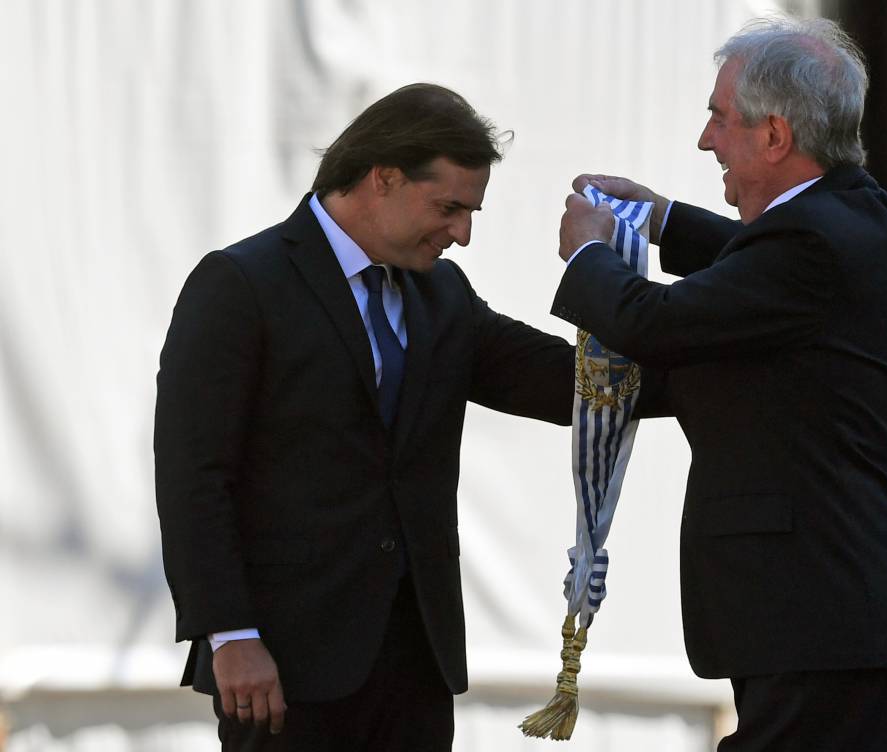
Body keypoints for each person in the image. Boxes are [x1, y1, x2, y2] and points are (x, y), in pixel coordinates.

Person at [554, 17, 887, 752]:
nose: (707, 140)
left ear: (775, 137)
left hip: (821, 619)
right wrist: (660, 219)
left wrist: (589, 255)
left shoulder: (815, 244)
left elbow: (658, 324)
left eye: (721, 118)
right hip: (834, 620)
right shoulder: (852, 214)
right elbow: (751, 263)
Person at [154, 83, 573, 751]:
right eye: (449, 208)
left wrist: (708, 341)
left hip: (416, 669)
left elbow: (564, 384)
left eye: (470, 213)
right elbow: (193, 476)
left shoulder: (442, 295)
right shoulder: (241, 284)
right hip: (282, 671)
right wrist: (230, 635)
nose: (462, 233)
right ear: (382, 179)